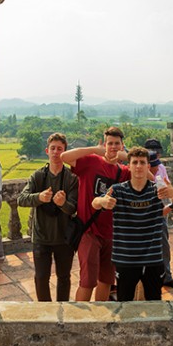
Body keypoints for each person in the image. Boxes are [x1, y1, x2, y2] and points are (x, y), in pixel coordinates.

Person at [94, 147, 173, 301]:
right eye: (134, 162)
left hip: (153, 259)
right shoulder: (118, 190)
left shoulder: (158, 190)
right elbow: (95, 203)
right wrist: (102, 201)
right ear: (128, 166)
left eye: (142, 162)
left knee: (154, 302)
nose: (138, 166)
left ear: (148, 166)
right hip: (125, 259)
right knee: (124, 303)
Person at [60, 127, 130, 302]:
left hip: (112, 233)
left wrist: (126, 157)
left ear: (122, 146)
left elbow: (148, 177)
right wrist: (94, 149)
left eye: (117, 144)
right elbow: (64, 157)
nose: (113, 147)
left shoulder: (124, 172)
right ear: (104, 145)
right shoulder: (91, 162)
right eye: (110, 143)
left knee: (106, 280)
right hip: (89, 231)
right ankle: (80, 317)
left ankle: (101, 314)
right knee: (88, 281)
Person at [18, 133, 79, 301]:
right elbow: (21, 199)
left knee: (64, 277)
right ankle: (45, 310)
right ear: (47, 151)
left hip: (64, 237)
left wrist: (63, 203)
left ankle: (62, 307)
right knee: (41, 277)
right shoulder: (38, 176)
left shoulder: (71, 178)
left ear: (65, 152)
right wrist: (39, 197)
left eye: (60, 149)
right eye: (53, 148)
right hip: (41, 236)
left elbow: (73, 208)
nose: (56, 152)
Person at [146, 144, 173, 291]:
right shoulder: (138, 179)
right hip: (144, 220)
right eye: (153, 166)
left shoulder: (159, 172)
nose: (156, 168)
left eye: (156, 165)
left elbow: (171, 192)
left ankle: (166, 277)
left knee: (164, 247)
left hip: (160, 215)